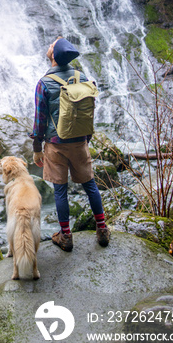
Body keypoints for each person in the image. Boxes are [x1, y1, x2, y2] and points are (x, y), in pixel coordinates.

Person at [31, 37, 110, 251]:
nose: (48, 46)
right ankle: (102, 229)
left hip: (56, 143)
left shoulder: (44, 83)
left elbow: (39, 121)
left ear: (54, 56)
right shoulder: (81, 77)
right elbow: (88, 111)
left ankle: (66, 235)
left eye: (51, 45)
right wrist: (86, 139)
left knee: (60, 190)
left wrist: (37, 149)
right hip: (80, 141)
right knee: (90, 184)